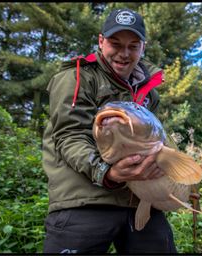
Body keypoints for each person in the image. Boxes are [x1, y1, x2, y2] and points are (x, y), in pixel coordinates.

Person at [42, 8, 177, 254]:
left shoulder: (150, 92)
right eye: (116, 43)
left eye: (133, 46)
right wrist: (107, 172)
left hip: (140, 203)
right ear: (101, 41)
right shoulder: (77, 76)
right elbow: (69, 137)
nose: (124, 54)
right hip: (85, 201)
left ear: (142, 48)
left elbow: (159, 140)